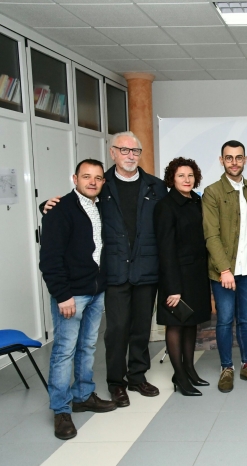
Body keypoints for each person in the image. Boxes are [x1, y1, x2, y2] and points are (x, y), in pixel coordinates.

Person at [43, 132, 167, 406]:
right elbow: (76, 208)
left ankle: (137, 376)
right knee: (117, 330)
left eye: (135, 151)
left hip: (146, 270)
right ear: (112, 153)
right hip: (112, 272)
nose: (130, 156)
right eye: (124, 150)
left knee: (140, 329)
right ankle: (116, 382)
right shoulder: (102, 184)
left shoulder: (156, 187)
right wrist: (48, 205)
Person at [40, 159, 117, 440]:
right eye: (87, 177)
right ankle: (61, 410)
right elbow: (50, 258)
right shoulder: (59, 211)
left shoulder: (99, 207)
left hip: (96, 291)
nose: (93, 182)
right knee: (64, 352)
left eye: (98, 178)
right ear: (75, 179)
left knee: (87, 347)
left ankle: (83, 395)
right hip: (71, 295)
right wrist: (63, 295)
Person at [202, 141, 247, 392]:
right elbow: (211, 235)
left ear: (245, 159)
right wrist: (224, 270)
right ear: (221, 160)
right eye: (228, 158)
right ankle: (226, 368)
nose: (234, 162)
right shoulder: (212, 192)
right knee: (224, 320)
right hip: (224, 273)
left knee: (245, 320)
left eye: (238, 158)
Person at [154, 157, 212, 397]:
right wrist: (173, 288)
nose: (186, 180)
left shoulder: (197, 200)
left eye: (190, 176)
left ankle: (189, 370)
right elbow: (165, 250)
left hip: (197, 275)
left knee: (191, 324)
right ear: (172, 178)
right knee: (176, 325)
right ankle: (179, 376)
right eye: (181, 176)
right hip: (176, 277)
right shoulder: (165, 206)